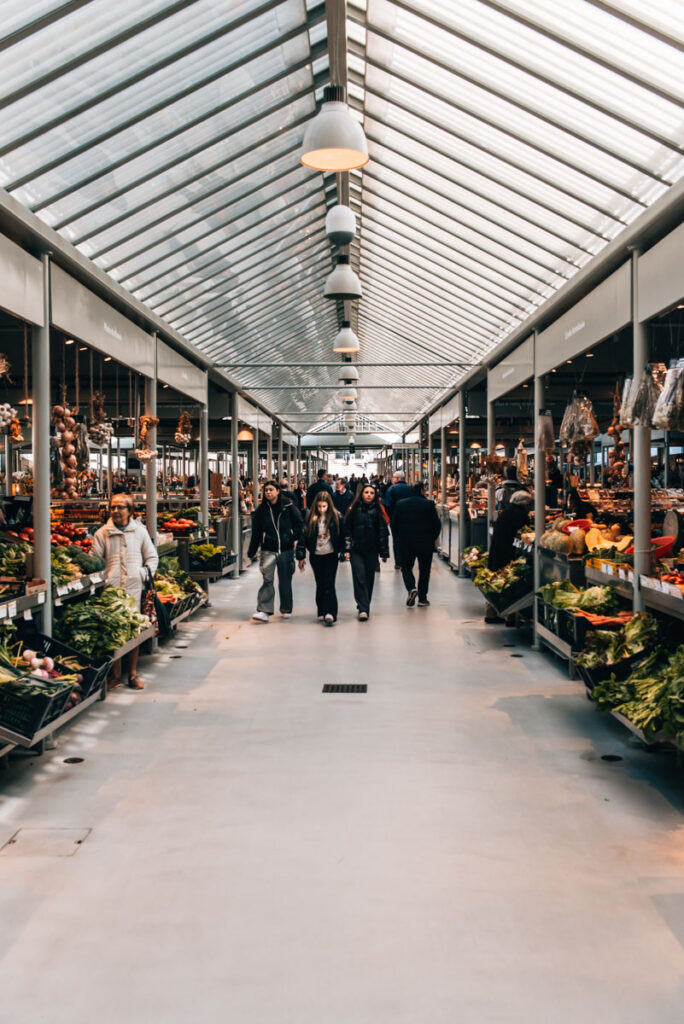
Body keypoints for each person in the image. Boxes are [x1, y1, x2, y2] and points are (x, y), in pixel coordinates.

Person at [92, 494, 159, 689]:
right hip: (111, 590)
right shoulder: (102, 533)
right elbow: (95, 561)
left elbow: (152, 557)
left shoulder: (140, 532)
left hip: (133, 588)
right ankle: (115, 675)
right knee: (112, 631)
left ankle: (132, 674)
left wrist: (141, 574)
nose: (115, 511)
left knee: (133, 630)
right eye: (113, 507)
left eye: (120, 507)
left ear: (130, 511)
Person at [248, 480, 305, 622]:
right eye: (266, 490)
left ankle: (286, 608)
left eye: (271, 489)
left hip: (286, 549)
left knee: (285, 579)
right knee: (267, 579)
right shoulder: (261, 511)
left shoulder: (288, 506)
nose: (268, 492)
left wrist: (293, 537)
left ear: (278, 491)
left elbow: (300, 523)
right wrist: (252, 551)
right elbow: (256, 532)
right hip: (268, 549)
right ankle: (264, 611)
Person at [391, 481, 441, 607]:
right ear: (422, 491)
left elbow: (393, 523)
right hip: (425, 543)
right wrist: (432, 538)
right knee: (425, 570)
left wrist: (398, 538)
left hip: (406, 542)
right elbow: (437, 524)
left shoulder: (400, 504)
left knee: (406, 567)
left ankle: (411, 588)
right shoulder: (429, 504)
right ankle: (423, 598)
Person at [485, 491, 533, 623]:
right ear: (525, 504)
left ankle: (491, 613)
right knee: (508, 585)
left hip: (497, 550)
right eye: (529, 504)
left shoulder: (505, 512)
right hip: (507, 553)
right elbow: (522, 535)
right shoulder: (521, 516)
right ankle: (509, 616)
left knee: (496, 581)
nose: (530, 508)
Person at [345, 483, 389, 620]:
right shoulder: (353, 510)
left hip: (372, 550)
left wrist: (384, 552)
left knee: (369, 578)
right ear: (361, 494)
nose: (369, 495)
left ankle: (364, 604)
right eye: (366, 492)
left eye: (371, 493)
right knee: (360, 577)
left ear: (375, 495)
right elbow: (347, 530)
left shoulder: (378, 511)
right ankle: (364, 609)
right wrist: (347, 548)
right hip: (356, 550)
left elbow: (383, 532)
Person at [303, 490, 347, 625]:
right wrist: (301, 555)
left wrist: (345, 550)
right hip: (316, 556)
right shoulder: (310, 517)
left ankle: (330, 613)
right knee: (320, 583)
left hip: (330, 555)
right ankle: (322, 610)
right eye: (319, 506)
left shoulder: (337, 517)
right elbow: (303, 536)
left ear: (329, 505)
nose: (322, 509)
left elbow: (344, 534)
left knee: (329, 583)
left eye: (324, 506)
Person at [382, 470, 411, 568]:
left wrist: (391, 515)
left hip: (395, 519)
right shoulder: (410, 488)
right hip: (408, 519)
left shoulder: (391, 489)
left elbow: (387, 504)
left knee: (396, 540)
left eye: (394, 477)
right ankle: (407, 561)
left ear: (398, 478)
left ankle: (398, 562)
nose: (392, 479)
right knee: (407, 540)